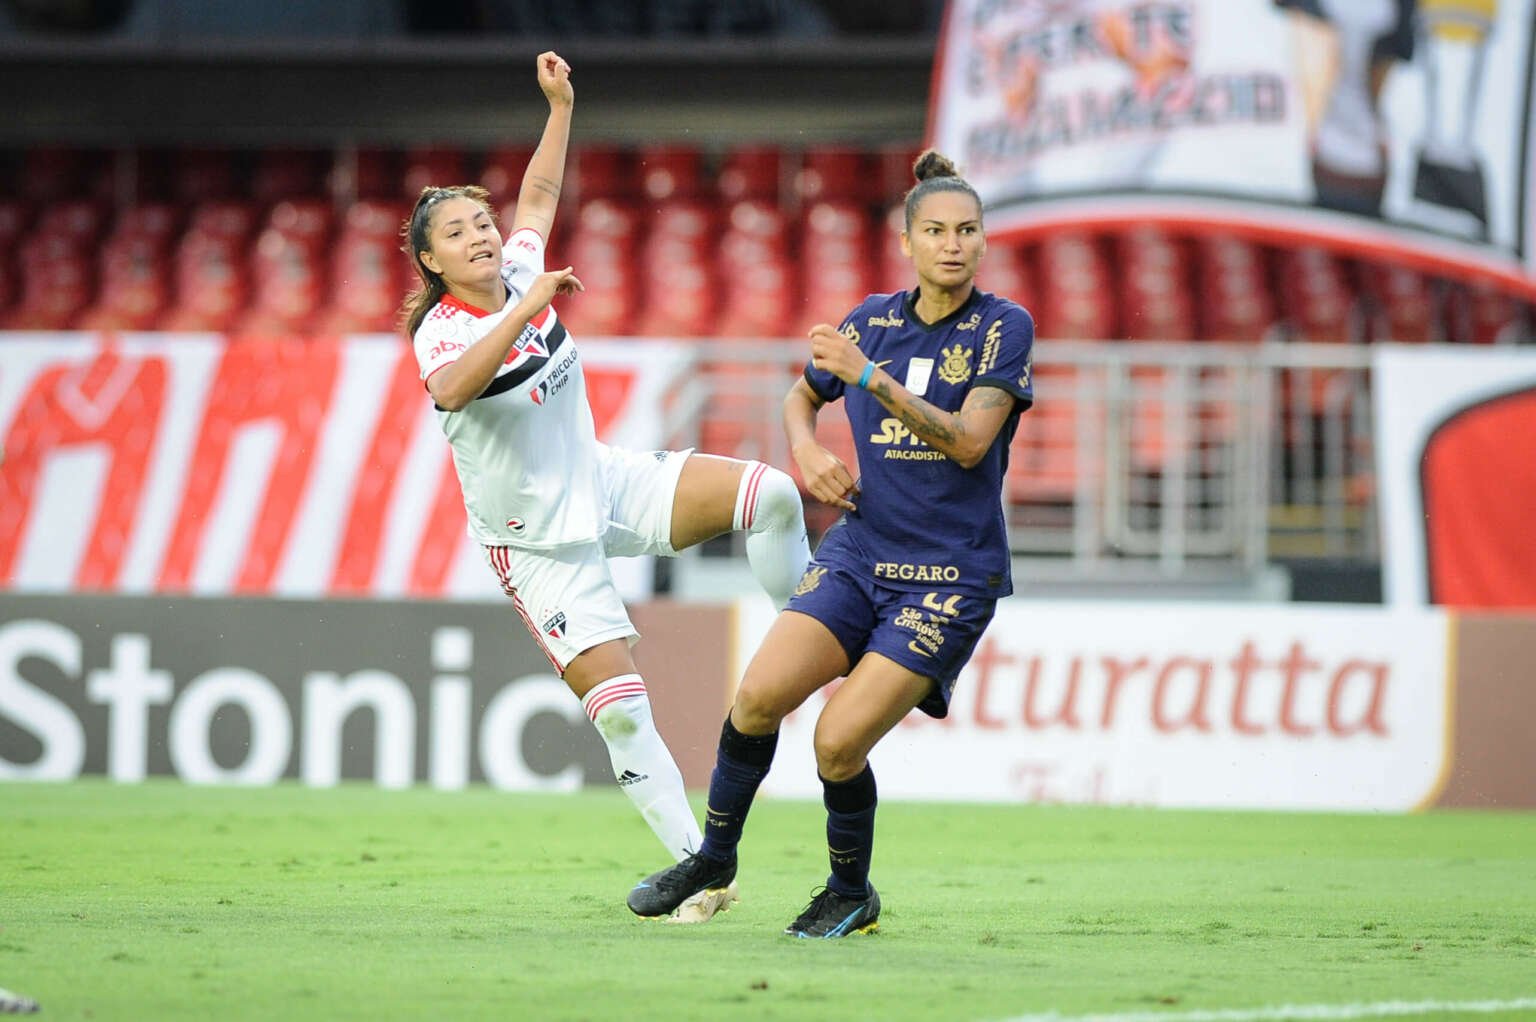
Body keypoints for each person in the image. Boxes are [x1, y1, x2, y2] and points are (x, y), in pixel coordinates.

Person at [403, 51, 810, 922]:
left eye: (483, 220)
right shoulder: (442, 333)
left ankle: (809, 632)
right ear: (432, 263)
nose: (483, 234)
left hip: (604, 479)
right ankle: (701, 871)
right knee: (624, 714)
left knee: (772, 495)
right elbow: (450, 391)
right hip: (539, 546)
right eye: (459, 231)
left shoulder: (517, 265)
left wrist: (560, 106)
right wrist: (522, 306)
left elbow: (541, 196)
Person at [626, 150, 1035, 936]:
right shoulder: (872, 319)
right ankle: (714, 856)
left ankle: (851, 890)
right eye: (938, 231)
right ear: (906, 240)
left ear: (984, 243)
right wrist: (806, 449)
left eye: (969, 231)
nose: (954, 244)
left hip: (948, 578)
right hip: (860, 551)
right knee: (755, 698)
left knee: (837, 741)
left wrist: (871, 378)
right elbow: (798, 395)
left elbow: (970, 445)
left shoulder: (1000, 328)